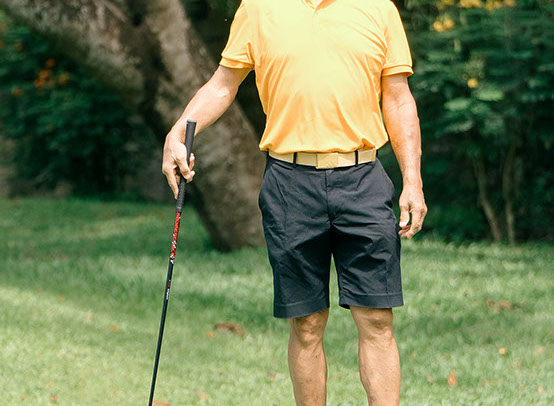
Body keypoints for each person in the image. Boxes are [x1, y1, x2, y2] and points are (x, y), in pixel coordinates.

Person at [162, 0, 427, 404]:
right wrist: (178, 131)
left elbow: (398, 97)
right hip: (290, 183)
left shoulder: (378, 8)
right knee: (306, 323)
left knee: (376, 318)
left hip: (362, 178)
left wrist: (413, 180)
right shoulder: (258, 8)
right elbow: (223, 84)